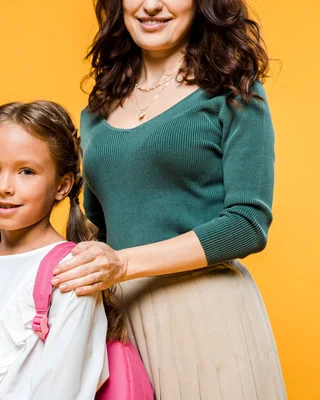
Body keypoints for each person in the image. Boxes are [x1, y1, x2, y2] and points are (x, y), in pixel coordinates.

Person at [51, 0, 287, 398]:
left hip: (206, 318)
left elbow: (248, 224)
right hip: (119, 322)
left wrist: (124, 263)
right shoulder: (96, 110)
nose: (152, 5)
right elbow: (96, 233)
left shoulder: (235, 91)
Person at [0, 101, 120, 399]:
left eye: (27, 171)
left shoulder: (72, 272)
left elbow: (63, 389)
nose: (4, 186)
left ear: (62, 186)